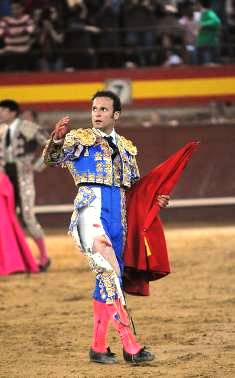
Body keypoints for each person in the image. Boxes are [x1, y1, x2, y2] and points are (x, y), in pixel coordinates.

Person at [43, 90, 169, 364]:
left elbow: (135, 189)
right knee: (110, 274)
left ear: (116, 114)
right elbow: (52, 160)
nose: (96, 114)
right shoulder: (79, 139)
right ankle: (130, 346)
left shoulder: (126, 147)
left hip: (118, 220)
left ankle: (98, 347)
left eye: (102, 109)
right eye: (94, 109)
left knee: (108, 280)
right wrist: (56, 139)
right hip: (90, 213)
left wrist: (156, 198)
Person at [0, 99, 50, 271]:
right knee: (7, 218)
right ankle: (15, 258)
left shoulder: (27, 127)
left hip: (23, 176)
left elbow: (52, 146)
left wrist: (37, 165)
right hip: (5, 179)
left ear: (13, 112)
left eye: (3, 111)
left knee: (27, 217)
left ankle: (44, 257)